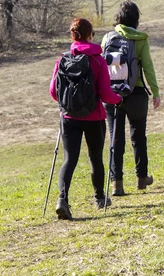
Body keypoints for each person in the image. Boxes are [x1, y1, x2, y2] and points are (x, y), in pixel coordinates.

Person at [49, 18, 122, 220]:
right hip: (94, 117)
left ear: (73, 36)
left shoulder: (62, 59)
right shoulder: (98, 60)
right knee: (95, 158)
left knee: (69, 159)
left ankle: (62, 200)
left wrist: (68, 103)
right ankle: (99, 197)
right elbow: (106, 94)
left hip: (68, 116)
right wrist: (118, 98)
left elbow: (53, 91)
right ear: (91, 35)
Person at [102, 0, 161, 197]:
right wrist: (155, 92)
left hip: (112, 95)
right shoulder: (140, 39)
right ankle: (141, 179)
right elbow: (148, 68)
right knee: (138, 137)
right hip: (136, 94)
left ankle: (116, 184)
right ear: (136, 19)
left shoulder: (108, 38)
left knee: (115, 138)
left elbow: (103, 68)